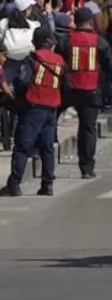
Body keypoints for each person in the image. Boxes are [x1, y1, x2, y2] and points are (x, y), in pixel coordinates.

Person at [1, 27, 62, 196]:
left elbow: (23, 82)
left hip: (34, 108)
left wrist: (18, 100)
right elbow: (66, 85)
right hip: (52, 108)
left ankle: (14, 185)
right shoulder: (59, 61)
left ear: (35, 42)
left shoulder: (32, 60)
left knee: (22, 146)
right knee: (47, 147)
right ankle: (47, 185)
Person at [62, 6, 112, 178]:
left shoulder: (67, 40)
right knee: (88, 128)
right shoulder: (99, 41)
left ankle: (44, 157)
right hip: (92, 89)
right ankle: (86, 168)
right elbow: (111, 65)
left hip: (69, 88)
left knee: (51, 120)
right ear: (90, 22)